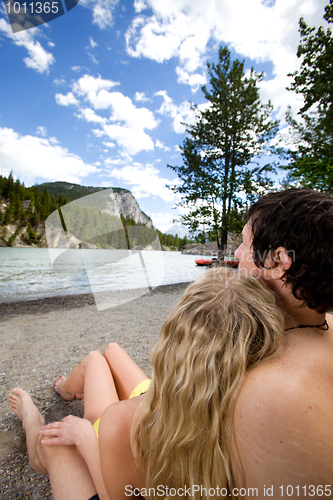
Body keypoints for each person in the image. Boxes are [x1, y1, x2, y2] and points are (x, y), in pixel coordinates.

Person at [9, 267, 284, 499]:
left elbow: (116, 495)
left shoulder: (122, 423)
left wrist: (82, 435)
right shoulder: (262, 411)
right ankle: (68, 389)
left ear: (174, 341)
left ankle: (31, 415)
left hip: (126, 432)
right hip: (165, 397)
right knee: (110, 351)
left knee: (52, 442)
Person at [232, 188, 333, 493]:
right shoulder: (325, 324)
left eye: (245, 243)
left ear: (278, 261)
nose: (236, 253)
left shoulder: (275, 392)